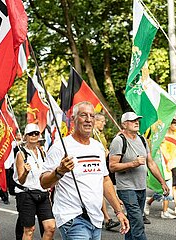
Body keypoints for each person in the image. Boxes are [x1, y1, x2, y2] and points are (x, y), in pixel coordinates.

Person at [40, 101, 129, 239]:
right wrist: (59, 171)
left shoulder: (98, 147)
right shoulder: (60, 147)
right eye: (83, 115)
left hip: (95, 218)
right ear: (74, 119)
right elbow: (43, 183)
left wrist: (119, 212)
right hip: (72, 218)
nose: (88, 119)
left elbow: (105, 180)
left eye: (91, 116)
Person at [109, 112, 169, 240]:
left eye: (137, 120)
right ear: (124, 124)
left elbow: (151, 163)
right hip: (126, 188)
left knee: (131, 222)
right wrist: (133, 163)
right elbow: (112, 166)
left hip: (141, 188)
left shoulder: (142, 139)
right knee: (138, 222)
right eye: (132, 120)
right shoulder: (118, 141)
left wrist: (162, 182)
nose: (136, 122)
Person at [13, 123, 55, 240]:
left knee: (50, 227)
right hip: (27, 194)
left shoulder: (42, 152)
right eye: (31, 134)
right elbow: (21, 180)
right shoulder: (21, 154)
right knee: (29, 230)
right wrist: (25, 172)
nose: (34, 136)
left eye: (36, 133)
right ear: (25, 136)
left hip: (43, 193)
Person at [93, 113, 121, 230]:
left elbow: (104, 148)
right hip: (95, 167)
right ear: (96, 121)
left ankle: (106, 217)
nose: (104, 123)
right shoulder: (92, 134)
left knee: (101, 191)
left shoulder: (100, 134)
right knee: (99, 192)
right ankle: (106, 218)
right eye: (102, 121)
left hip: (103, 166)